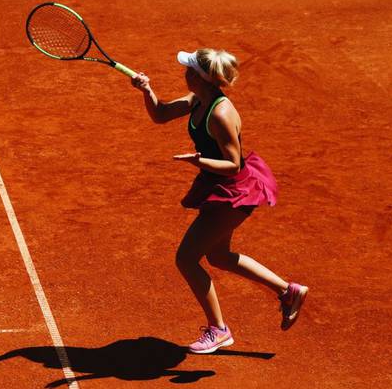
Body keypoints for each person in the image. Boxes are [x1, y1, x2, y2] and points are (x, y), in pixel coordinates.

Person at [131, 48, 308, 354]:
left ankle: (219, 329)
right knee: (218, 256)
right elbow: (160, 114)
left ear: (199, 77)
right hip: (219, 186)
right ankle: (287, 291)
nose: (183, 72)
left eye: (188, 69)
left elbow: (234, 164)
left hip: (233, 191)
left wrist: (199, 162)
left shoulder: (221, 113)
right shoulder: (198, 98)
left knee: (186, 259)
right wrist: (147, 90)